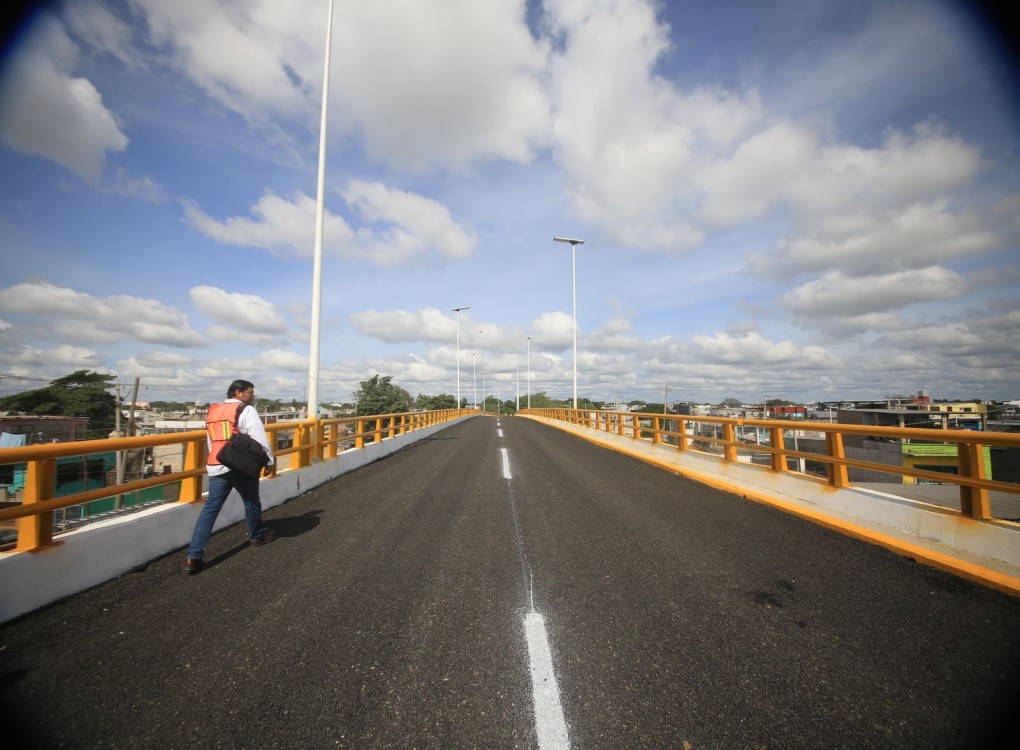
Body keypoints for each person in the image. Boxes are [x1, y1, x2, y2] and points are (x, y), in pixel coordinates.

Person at [183, 379, 276, 573]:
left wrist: (216, 460)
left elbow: (211, 439)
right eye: (250, 392)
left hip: (217, 464)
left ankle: (193, 556)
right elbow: (258, 437)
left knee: (210, 510)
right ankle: (256, 535)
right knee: (251, 502)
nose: (253, 396)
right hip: (240, 465)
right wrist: (268, 461)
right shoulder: (246, 410)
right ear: (238, 392)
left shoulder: (214, 410)